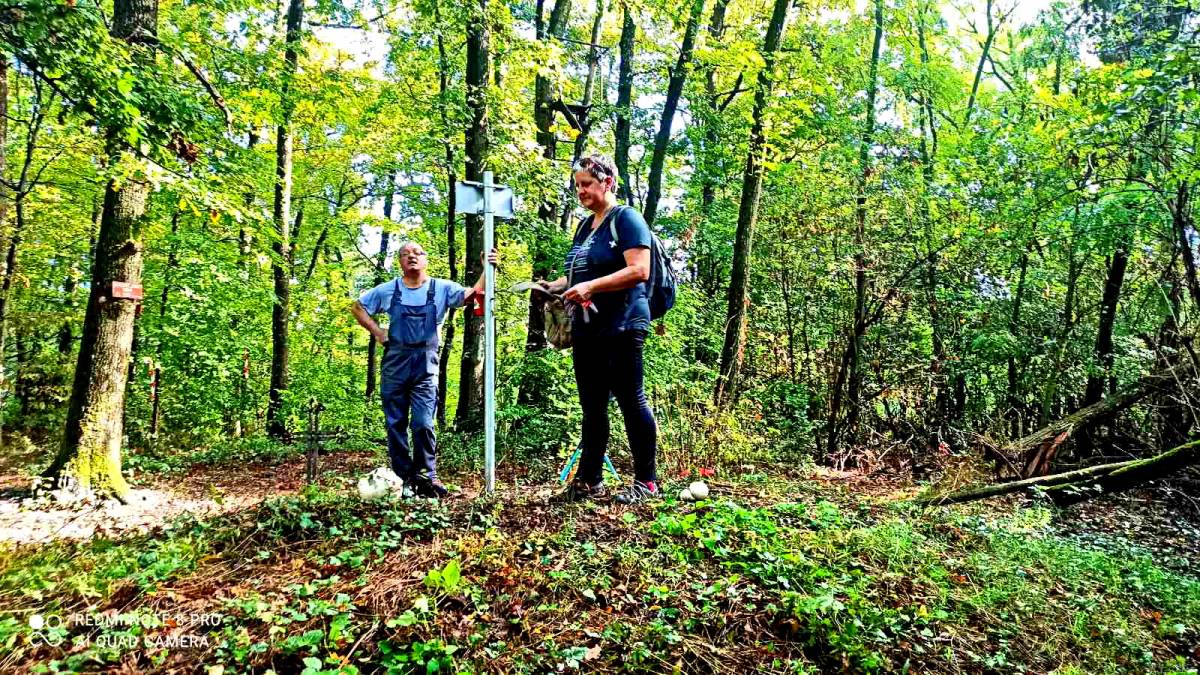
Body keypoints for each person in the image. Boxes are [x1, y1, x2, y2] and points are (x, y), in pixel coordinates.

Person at [541, 155, 660, 504]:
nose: (581, 191)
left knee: (630, 399)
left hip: (622, 323)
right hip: (587, 327)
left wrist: (592, 288)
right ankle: (589, 480)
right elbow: (580, 276)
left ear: (607, 182)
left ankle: (647, 482)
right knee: (592, 405)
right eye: (577, 185)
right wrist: (556, 285)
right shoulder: (584, 227)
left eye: (587, 184)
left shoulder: (626, 219)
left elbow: (639, 270)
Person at [351, 242, 497, 498]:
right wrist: (377, 332)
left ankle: (426, 477)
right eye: (405, 254)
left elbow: (473, 295)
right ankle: (402, 479)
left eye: (417, 253)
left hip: (425, 365)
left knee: (423, 423)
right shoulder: (389, 290)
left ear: (426, 259)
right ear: (399, 262)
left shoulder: (441, 289)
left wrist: (487, 268)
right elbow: (358, 307)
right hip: (395, 364)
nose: (412, 257)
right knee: (395, 423)